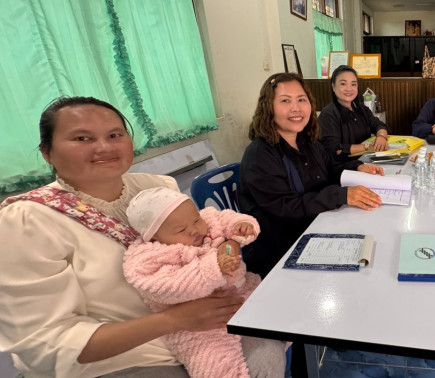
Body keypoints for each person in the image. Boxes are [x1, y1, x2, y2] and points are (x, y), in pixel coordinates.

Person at [0, 97, 284, 377]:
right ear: (47, 152)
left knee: (268, 349)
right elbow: (44, 343)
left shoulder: (155, 188)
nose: (104, 147)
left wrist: (230, 243)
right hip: (119, 357)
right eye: (82, 138)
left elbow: (205, 234)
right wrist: (174, 320)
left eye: (115, 135)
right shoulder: (26, 221)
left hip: (206, 319)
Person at [239, 73, 385, 278]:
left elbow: (331, 168)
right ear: (268, 107)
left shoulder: (307, 140)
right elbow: (287, 208)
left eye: (301, 100)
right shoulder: (259, 155)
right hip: (281, 252)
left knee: (375, 246)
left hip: (318, 226)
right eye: (285, 101)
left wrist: (357, 167)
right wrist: (341, 195)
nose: (296, 108)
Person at [123, 187, 271, 378]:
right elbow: (170, 286)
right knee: (214, 366)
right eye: (181, 230)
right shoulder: (146, 259)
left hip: (240, 291)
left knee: (279, 311)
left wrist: (241, 226)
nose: (194, 230)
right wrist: (214, 266)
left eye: (195, 220)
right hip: (195, 325)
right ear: (153, 237)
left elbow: (225, 218)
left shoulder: (207, 220)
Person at [318, 65, 390, 162]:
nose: (349, 89)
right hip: (344, 167)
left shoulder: (361, 108)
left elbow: (379, 125)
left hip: (366, 161)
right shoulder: (328, 114)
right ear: (333, 86)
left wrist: (381, 137)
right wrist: (367, 147)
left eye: (353, 84)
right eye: (343, 84)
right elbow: (334, 149)